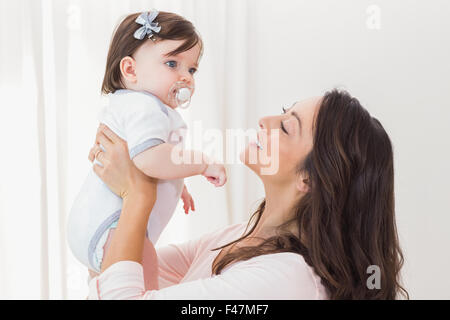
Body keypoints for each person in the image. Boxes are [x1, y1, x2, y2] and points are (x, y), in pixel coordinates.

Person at [87, 90, 409, 299]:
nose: (265, 121)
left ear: (308, 179)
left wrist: (137, 194)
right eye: (283, 112)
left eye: (285, 127)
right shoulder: (239, 236)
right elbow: (109, 270)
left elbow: (117, 289)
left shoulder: (286, 280)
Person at [66, 10, 226, 289]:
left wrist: (178, 181)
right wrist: (201, 163)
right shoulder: (144, 107)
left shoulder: (132, 105)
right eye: (172, 63)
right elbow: (149, 159)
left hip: (99, 227)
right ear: (130, 70)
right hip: (115, 226)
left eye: (191, 69)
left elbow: (153, 158)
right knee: (144, 285)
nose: (186, 77)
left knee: (109, 289)